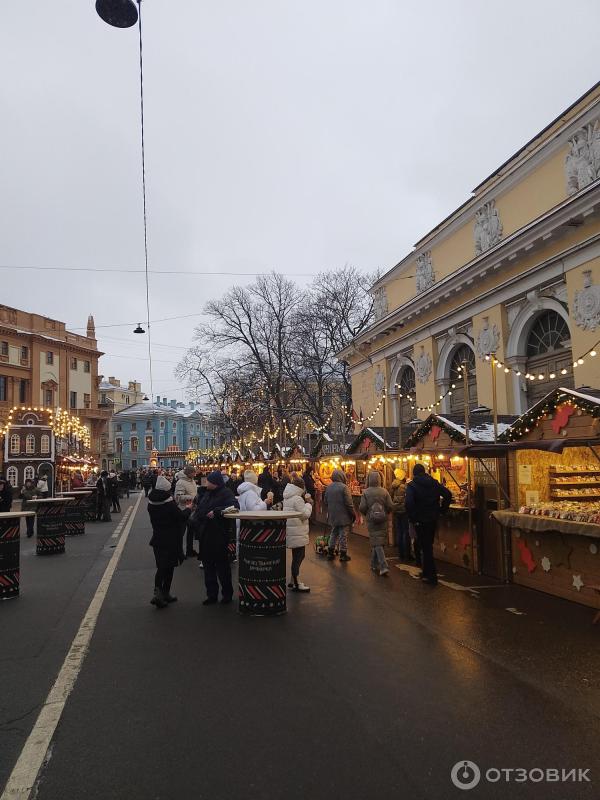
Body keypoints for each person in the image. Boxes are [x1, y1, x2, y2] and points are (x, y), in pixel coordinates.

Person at [193, 471, 239, 605]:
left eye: (208, 481)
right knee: (208, 567)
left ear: (215, 483)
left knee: (222, 567)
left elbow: (235, 507)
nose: (206, 483)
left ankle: (227, 595)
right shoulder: (207, 493)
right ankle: (211, 595)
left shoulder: (226, 493)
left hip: (219, 535)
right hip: (206, 535)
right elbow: (201, 509)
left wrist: (217, 511)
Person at [405, 463, 452, 585]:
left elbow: (409, 503)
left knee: (425, 546)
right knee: (427, 545)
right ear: (424, 471)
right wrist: (442, 510)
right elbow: (448, 494)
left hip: (420, 520)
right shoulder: (434, 483)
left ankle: (431, 576)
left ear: (414, 473)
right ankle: (426, 572)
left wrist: (413, 517)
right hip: (432, 518)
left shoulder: (412, 486)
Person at [147, 474, 185, 608]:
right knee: (169, 567)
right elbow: (180, 517)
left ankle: (161, 593)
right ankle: (162, 593)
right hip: (171, 539)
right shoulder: (169, 503)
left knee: (162, 567)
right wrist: (189, 509)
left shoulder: (151, 503)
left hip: (157, 538)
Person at [359, 471, 396, 577]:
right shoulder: (384, 492)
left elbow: (362, 507)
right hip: (383, 520)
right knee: (378, 541)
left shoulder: (366, 492)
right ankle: (373, 564)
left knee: (376, 542)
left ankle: (383, 566)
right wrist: (385, 513)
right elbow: (390, 505)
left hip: (371, 520)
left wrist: (368, 514)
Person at [283, 476, 313, 592]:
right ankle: (296, 582)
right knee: (299, 556)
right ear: (301, 487)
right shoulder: (297, 499)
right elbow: (304, 514)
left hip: (292, 531)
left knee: (298, 556)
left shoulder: (288, 497)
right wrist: (309, 504)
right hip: (297, 532)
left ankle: (292, 580)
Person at [323, 469, 355, 561]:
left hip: (333, 514)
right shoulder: (344, 487)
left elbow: (325, 501)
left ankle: (330, 551)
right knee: (343, 534)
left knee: (334, 532)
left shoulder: (328, 487)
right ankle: (343, 553)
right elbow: (349, 503)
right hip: (343, 515)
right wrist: (353, 513)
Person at [174, 466, 198, 558]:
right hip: (183, 510)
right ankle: (179, 553)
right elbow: (178, 497)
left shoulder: (191, 480)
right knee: (181, 533)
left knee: (191, 532)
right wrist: (193, 498)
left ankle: (190, 550)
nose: (195, 474)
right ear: (189, 473)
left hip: (192, 510)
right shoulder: (181, 482)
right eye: (193, 472)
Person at [390, 470, 411, 561]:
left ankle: (400, 553)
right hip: (404, 511)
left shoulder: (393, 486)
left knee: (399, 531)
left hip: (396, 511)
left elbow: (390, 497)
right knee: (406, 532)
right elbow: (409, 499)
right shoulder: (405, 487)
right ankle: (407, 554)